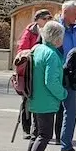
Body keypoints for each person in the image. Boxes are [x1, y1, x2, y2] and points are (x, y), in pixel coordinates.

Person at [24, 20, 68, 151]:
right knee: (45, 134)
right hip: (46, 100)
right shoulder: (52, 55)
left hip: (34, 97)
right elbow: (51, 81)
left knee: (36, 134)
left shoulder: (37, 49)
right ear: (57, 38)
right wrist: (63, 94)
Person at [53, 0, 76, 151]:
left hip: (70, 77)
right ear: (65, 12)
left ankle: (66, 147)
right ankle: (38, 148)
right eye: (75, 13)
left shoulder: (74, 30)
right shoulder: (55, 29)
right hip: (56, 75)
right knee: (47, 112)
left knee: (71, 112)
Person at [17, 9, 52, 141]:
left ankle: (38, 129)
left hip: (43, 69)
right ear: (37, 20)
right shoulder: (30, 32)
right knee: (27, 100)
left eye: (49, 19)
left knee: (40, 101)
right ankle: (27, 129)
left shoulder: (50, 31)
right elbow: (21, 50)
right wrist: (35, 52)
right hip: (30, 70)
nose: (47, 21)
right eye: (44, 19)